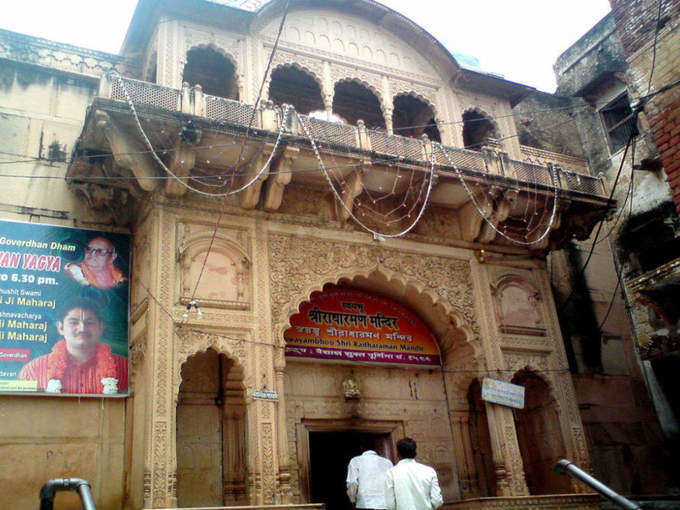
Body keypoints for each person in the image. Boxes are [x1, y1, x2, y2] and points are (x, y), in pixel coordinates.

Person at [18, 297, 128, 394]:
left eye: (89, 323)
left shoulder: (124, 368)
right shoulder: (33, 370)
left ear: (101, 327)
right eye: (73, 322)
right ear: (60, 328)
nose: (82, 329)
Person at [384, 438, 443, 510]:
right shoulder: (429, 471)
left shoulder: (391, 473)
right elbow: (437, 501)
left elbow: (390, 505)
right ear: (415, 453)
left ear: (398, 454)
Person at [347, 437, 394, 510]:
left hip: (364, 504)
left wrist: (352, 500)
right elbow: (392, 484)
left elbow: (352, 483)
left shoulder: (356, 461)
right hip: (384, 504)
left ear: (361, 447)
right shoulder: (387, 463)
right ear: (375, 447)